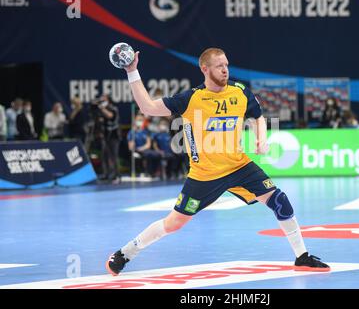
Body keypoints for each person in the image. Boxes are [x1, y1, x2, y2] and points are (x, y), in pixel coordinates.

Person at [106, 48, 330, 275]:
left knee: (279, 201)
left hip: (239, 166)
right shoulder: (191, 99)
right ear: (205, 69)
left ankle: (302, 256)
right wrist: (132, 71)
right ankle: (126, 253)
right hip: (205, 175)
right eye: (219, 66)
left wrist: (261, 138)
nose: (225, 70)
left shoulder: (240, 92)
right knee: (173, 224)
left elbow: (257, 117)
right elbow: (147, 107)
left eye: (227, 65)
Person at [96, 94, 121, 182]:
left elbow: (110, 116)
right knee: (104, 155)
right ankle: (106, 174)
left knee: (113, 156)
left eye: (104, 99)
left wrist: (102, 109)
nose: (102, 100)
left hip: (114, 135)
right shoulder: (100, 109)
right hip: (105, 135)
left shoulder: (113, 108)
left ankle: (116, 175)